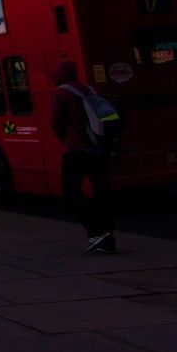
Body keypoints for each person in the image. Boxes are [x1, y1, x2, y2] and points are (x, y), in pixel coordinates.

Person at [50, 60, 117, 252]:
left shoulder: (61, 92)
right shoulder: (89, 89)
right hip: (98, 148)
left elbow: (55, 122)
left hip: (76, 150)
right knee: (102, 190)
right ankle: (108, 230)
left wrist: (66, 139)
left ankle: (96, 231)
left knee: (71, 191)